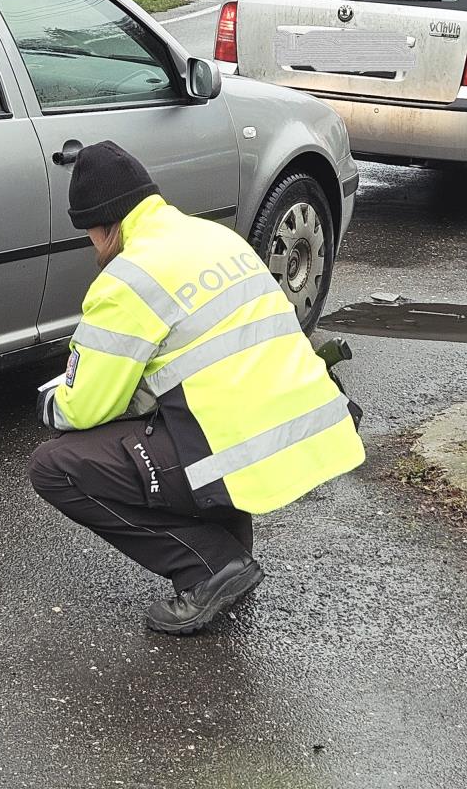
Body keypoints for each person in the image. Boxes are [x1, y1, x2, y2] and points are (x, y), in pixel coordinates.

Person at [28, 141, 365, 635]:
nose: (94, 249)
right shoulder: (214, 238)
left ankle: (208, 568)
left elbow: (84, 407)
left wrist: (51, 404)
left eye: (91, 237)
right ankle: (228, 547)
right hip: (299, 433)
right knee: (178, 413)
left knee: (55, 466)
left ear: (104, 226)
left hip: (240, 451)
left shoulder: (127, 277)